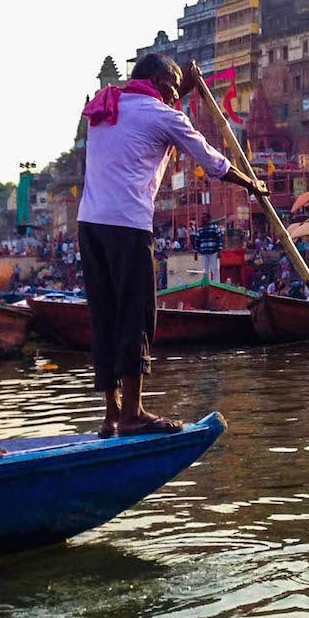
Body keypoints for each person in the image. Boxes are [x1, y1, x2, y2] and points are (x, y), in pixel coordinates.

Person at [78, 55, 264, 438]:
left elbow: (153, 104)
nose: (177, 97)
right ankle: (133, 414)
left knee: (105, 317)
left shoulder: (107, 105)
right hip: (126, 226)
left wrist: (188, 83)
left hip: (90, 225)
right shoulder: (165, 116)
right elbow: (212, 163)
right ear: (163, 83)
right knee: (136, 315)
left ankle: (111, 415)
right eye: (174, 88)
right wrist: (250, 183)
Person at [193, 216, 223, 283]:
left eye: (204, 219)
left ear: (209, 220)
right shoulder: (200, 230)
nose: (203, 220)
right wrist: (195, 253)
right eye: (202, 219)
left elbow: (219, 239)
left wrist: (220, 250)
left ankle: (217, 283)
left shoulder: (215, 228)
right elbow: (197, 241)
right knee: (205, 269)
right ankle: (207, 283)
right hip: (204, 252)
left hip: (214, 252)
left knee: (214, 268)